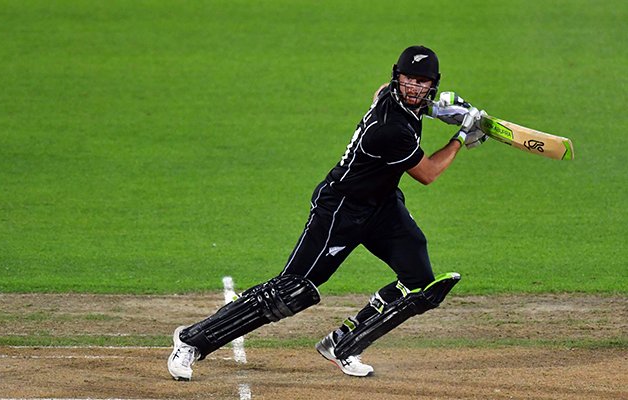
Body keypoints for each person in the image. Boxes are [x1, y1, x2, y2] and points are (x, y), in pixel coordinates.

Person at [167, 45, 486, 380]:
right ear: (398, 76)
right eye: (409, 79)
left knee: (420, 285)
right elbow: (428, 173)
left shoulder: (395, 98)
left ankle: (344, 343)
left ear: (432, 84)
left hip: (383, 207)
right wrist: (462, 135)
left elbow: (382, 93)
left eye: (422, 82)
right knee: (293, 290)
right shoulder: (389, 127)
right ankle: (191, 341)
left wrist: (438, 109)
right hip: (340, 210)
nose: (414, 87)